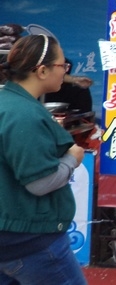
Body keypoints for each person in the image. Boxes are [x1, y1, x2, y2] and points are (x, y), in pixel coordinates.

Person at [0, 34, 87, 285]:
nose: (65, 72)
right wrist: (71, 159)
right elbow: (39, 183)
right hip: (30, 242)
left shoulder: (8, 102)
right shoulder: (24, 115)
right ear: (41, 71)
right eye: (62, 65)